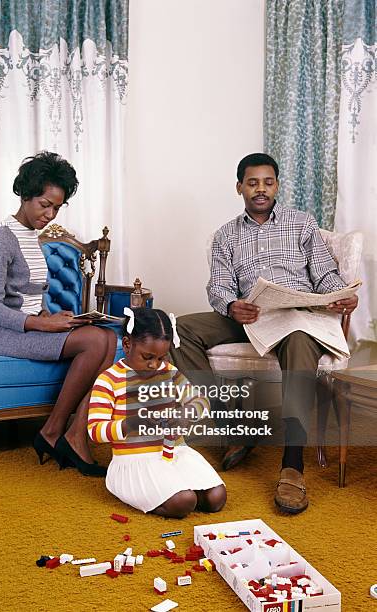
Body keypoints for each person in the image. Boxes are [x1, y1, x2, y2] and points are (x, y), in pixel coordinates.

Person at [170, 152, 358, 514]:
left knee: (301, 340)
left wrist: (339, 295)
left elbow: (325, 274)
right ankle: (231, 422)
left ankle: (292, 463)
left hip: (298, 314)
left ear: (277, 185)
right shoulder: (226, 235)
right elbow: (219, 286)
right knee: (179, 329)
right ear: (239, 187)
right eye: (252, 183)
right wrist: (230, 306)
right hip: (251, 315)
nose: (260, 189)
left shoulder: (302, 224)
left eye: (267, 182)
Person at [0, 151, 117, 476]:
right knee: (95, 342)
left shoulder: (31, 238)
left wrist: (60, 316)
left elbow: (32, 297)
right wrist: (44, 324)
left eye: (56, 207)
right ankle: (54, 432)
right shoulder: (0, 241)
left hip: (27, 327)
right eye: (44, 204)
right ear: (25, 196)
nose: (50, 214)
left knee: (106, 336)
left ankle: (74, 435)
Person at [88, 307, 226, 518]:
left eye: (161, 358)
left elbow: (201, 400)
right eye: (147, 357)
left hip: (175, 453)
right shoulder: (108, 380)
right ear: (127, 344)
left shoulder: (168, 372)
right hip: (135, 461)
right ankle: (153, 493)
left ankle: (174, 488)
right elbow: (95, 431)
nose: (154, 365)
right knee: (184, 501)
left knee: (217, 498)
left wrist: (186, 414)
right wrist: (132, 423)